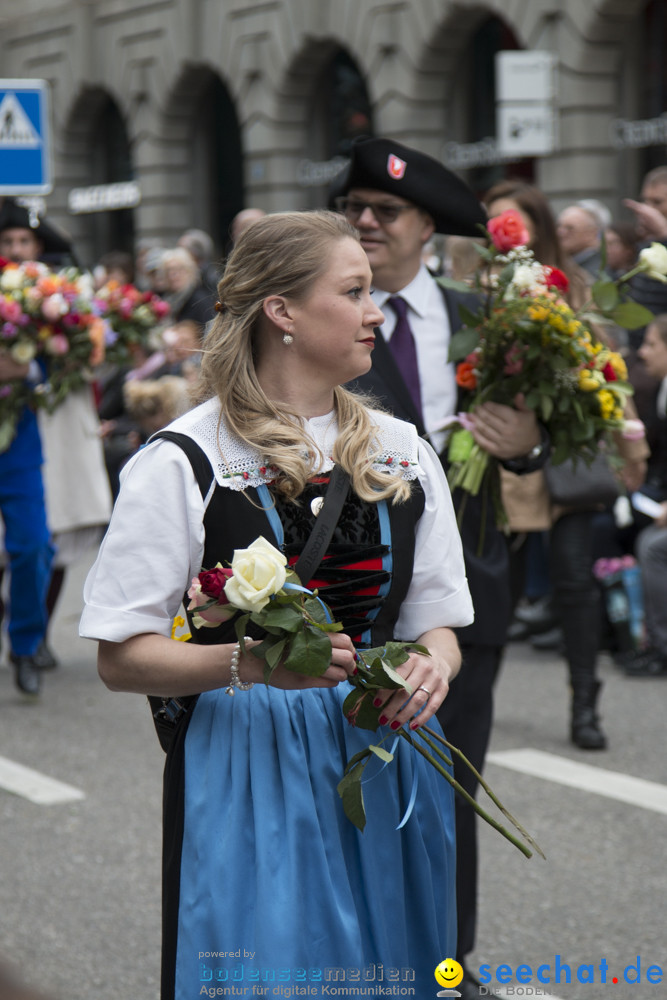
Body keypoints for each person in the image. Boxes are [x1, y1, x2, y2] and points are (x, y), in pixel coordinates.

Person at [79, 210, 474, 1000]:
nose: (375, 311)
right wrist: (249, 663)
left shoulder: (402, 448)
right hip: (248, 762)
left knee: (396, 967)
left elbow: (439, 617)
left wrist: (432, 664)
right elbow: (120, 658)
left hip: (388, 754)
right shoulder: (185, 460)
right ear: (282, 312)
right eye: (354, 291)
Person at [329, 139, 550, 1000]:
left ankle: (445, 969)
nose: (366, 221)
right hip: (350, 596)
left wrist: (528, 443)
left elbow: (551, 440)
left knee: (451, 800)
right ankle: (354, 964)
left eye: (385, 211)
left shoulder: (489, 317)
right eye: (353, 207)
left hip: (467, 595)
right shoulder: (325, 316)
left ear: (427, 227)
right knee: (347, 794)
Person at [0, 200, 63, 695]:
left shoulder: (44, 298)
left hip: (18, 435)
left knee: (32, 546)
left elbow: (65, 362)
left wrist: (29, 370)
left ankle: (24, 644)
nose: (15, 251)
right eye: (7, 241)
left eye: (22, 241)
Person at [632, 315, 667, 675]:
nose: (643, 352)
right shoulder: (661, 389)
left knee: (652, 546)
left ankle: (662, 646)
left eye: (653, 344)